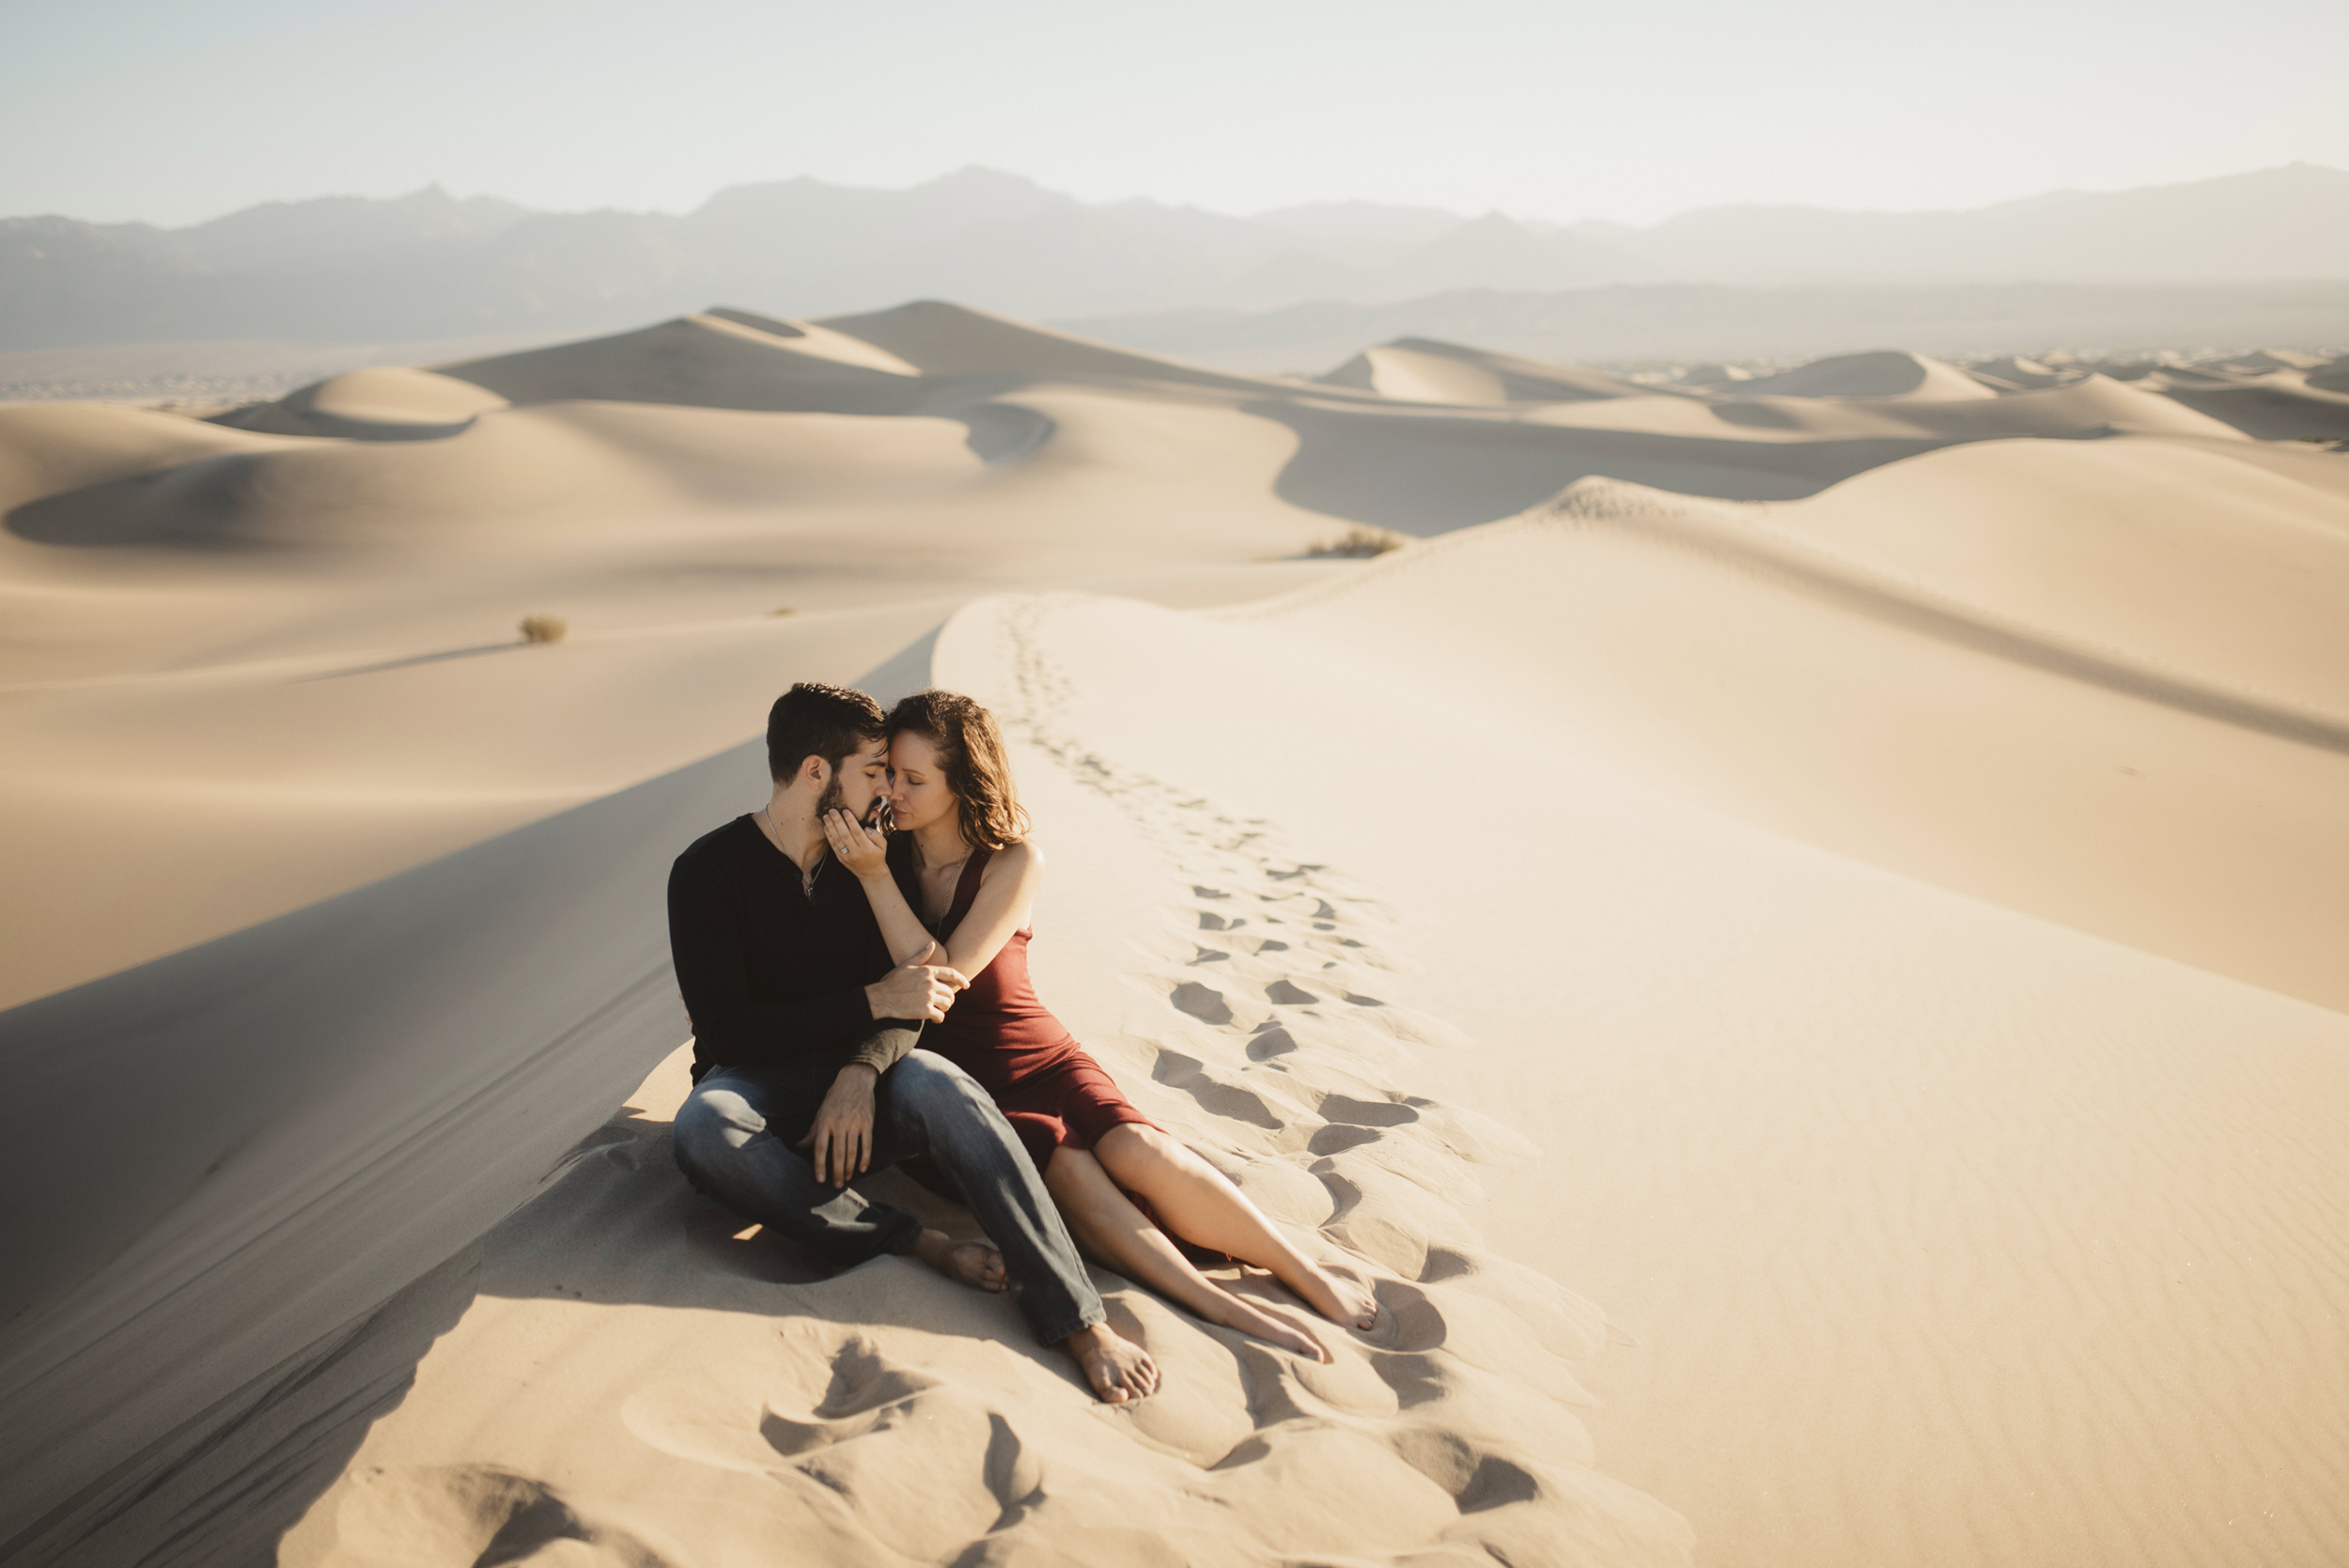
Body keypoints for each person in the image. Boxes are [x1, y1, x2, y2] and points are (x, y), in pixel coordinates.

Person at [819, 689, 1381, 1362]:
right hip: (966, 1090)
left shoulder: (1013, 861)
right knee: (1074, 1171)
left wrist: (875, 877)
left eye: (916, 780)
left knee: (1136, 1149)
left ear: (962, 783)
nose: (897, 793)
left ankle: (1303, 1272)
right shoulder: (880, 859)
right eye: (894, 776)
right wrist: (877, 874)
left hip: (1041, 1057)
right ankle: (1218, 1302)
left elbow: (949, 975)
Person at [666, 681, 1159, 1404]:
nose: (886, 792)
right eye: (872, 772)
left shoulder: (878, 857)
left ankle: (1079, 1317)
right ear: (814, 772)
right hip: (758, 1089)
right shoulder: (706, 873)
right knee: (703, 1127)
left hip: (864, 1085)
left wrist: (862, 1069)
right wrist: (865, 1003)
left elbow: (918, 995)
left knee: (946, 1086)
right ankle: (912, 1240)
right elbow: (728, 1030)